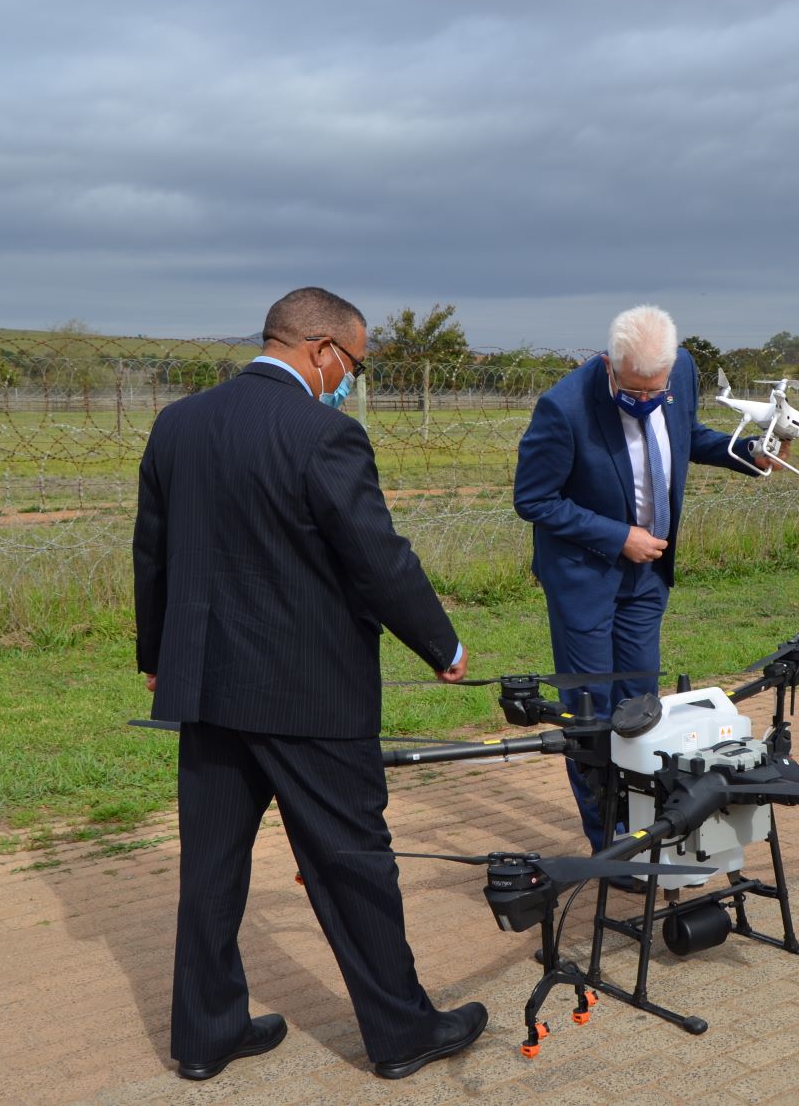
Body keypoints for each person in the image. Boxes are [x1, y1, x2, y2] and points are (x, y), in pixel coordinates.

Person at [133, 286, 487, 1082]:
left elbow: (151, 549)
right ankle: (402, 1033)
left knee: (212, 867)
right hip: (308, 694)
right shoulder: (325, 433)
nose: (349, 380)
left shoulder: (178, 423)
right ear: (321, 349)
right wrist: (441, 643)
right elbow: (375, 557)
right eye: (353, 364)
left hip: (206, 685)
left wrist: (156, 651)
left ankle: (206, 1035)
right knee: (351, 862)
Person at [512, 304, 785, 851]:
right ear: (610, 364)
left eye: (655, 391)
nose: (646, 401)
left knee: (640, 707)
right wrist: (618, 536)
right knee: (591, 711)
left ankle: (645, 826)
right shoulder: (563, 408)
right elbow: (533, 499)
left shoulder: (679, 370)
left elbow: (686, 436)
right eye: (634, 392)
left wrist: (747, 454)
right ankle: (610, 844)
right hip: (586, 578)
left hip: (648, 576)